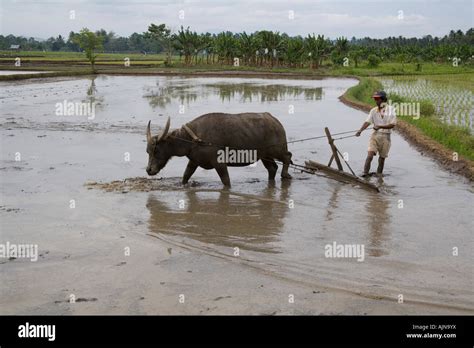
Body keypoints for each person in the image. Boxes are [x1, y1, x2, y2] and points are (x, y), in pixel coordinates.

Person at [355, 91, 396, 177]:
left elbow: (392, 124)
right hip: (375, 135)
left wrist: (380, 126)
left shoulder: (391, 110)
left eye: (377, 99)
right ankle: (365, 175)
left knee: (381, 159)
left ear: (383, 100)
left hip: (386, 137)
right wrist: (360, 130)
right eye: (375, 99)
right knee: (370, 156)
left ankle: (379, 176)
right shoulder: (373, 111)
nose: (376, 101)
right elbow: (367, 122)